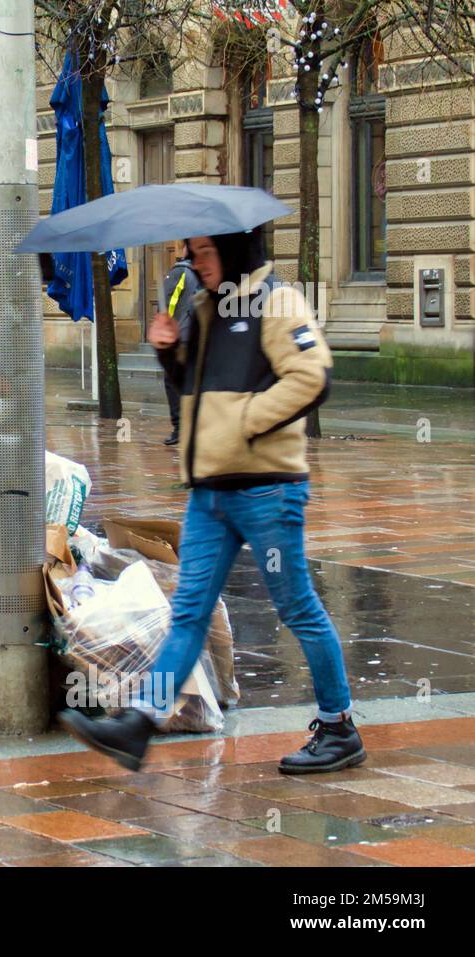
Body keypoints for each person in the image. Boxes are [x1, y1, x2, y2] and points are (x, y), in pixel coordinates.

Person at [58, 228, 363, 775]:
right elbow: (190, 391)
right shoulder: (203, 307)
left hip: (267, 488)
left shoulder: (277, 301)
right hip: (210, 493)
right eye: (189, 252)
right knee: (189, 611)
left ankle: (338, 726)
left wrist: (247, 422)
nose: (193, 261)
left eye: (203, 251)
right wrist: (169, 352)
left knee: (297, 607)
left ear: (233, 248)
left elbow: (312, 376)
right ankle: (139, 725)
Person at [157, 241, 198, 446]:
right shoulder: (204, 273)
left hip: (181, 336)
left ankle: (180, 427)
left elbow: (169, 304)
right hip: (198, 336)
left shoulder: (180, 272)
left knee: (172, 381)